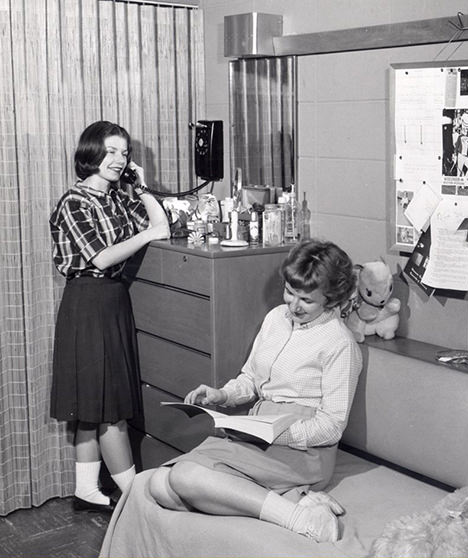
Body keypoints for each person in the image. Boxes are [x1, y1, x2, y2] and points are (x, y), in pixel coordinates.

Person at [148, 240, 363, 543]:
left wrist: (278, 432)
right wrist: (222, 395)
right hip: (257, 432)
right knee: (160, 485)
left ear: (330, 299)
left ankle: (298, 520)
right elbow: (251, 379)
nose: (293, 305)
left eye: (306, 300)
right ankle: (291, 499)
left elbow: (332, 427)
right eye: (290, 291)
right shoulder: (276, 318)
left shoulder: (339, 343)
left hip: (304, 448)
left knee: (184, 477)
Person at [49, 121, 170, 512]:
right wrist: (147, 234)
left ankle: (87, 492)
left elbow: (162, 226)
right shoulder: (75, 201)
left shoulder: (117, 197)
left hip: (113, 300)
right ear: (90, 153)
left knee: (93, 405)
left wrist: (143, 184)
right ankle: (135, 501)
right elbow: (101, 256)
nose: (119, 160)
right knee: (107, 410)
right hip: (88, 301)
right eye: (111, 151)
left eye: (124, 153)